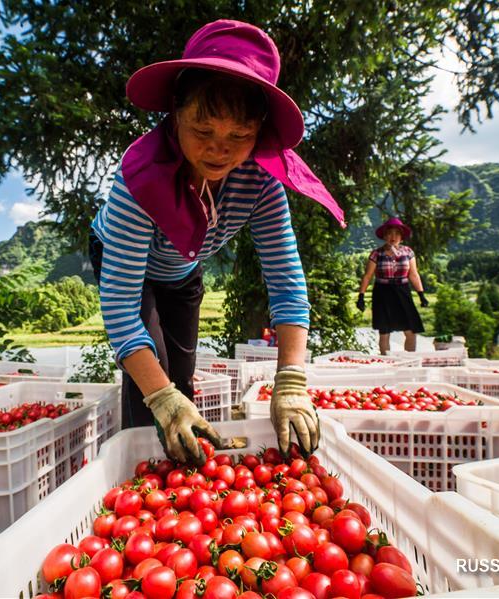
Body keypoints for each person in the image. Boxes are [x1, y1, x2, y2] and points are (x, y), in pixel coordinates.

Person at [88, 20, 346, 465]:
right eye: (202, 131)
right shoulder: (138, 181)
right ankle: (144, 467)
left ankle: (186, 456)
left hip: (183, 268)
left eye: (240, 137)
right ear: (175, 113)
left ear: (259, 132)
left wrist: (291, 381)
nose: (218, 151)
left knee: (182, 374)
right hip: (126, 265)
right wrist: (161, 397)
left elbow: (286, 282)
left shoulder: (261, 180)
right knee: (152, 385)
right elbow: (120, 307)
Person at [356, 217, 429, 354]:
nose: (393, 237)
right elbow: (367, 276)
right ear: (384, 236)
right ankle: (386, 361)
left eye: (397, 233)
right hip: (382, 292)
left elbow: (413, 274)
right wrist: (361, 296)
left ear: (401, 237)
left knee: (410, 330)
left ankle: (409, 360)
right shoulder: (377, 253)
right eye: (389, 233)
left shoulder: (408, 252)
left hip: (403, 291)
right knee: (385, 332)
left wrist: (421, 294)